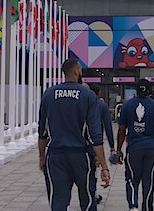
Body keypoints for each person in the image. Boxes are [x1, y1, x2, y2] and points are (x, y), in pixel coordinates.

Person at [38, 58, 110, 211]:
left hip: (56, 155)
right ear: (77, 71)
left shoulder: (48, 94)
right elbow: (94, 135)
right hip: (81, 156)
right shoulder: (88, 95)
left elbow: (42, 132)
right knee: (88, 200)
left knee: (58, 201)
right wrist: (104, 166)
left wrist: (42, 157)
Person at [116, 79, 154, 211]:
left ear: (136, 90)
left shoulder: (126, 106)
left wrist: (118, 150)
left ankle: (133, 206)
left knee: (132, 179)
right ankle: (147, 207)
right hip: (151, 148)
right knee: (149, 179)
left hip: (134, 148)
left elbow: (121, 131)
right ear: (149, 90)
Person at [90, 83, 116, 204]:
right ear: (99, 93)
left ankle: (90, 192)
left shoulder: (82, 104)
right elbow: (108, 127)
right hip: (96, 141)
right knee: (95, 166)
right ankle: (93, 193)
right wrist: (112, 146)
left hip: (81, 142)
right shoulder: (102, 106)